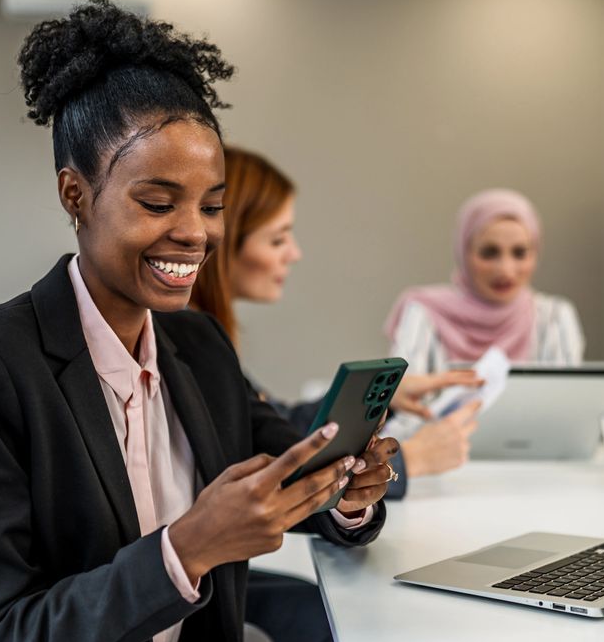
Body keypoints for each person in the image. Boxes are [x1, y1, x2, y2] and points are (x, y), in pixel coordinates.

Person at [0, 0, 398, 642]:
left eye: (212, 205)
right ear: (76, 194)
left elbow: (294, 470)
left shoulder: (197, 347)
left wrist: (349, 493)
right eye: (159, 201)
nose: (194, 234)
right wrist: (184, 549)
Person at [190, 145, 483, 499]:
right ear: (221, 240)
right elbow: (271, 462)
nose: (294, 253)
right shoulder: (189, 349)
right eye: (278, 239)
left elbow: (273, 424)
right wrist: (411, 460)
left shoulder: (203, 340)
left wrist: (384, 397)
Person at [383, 187, 585, 453]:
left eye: (520, 253)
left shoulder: (555, 317)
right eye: (489, 253)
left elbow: (566, 417)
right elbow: (407, 413)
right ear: (463, 252)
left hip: (535, 471)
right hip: (436, 470)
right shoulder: (424, 311)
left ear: (536, 254)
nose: (506, 269)